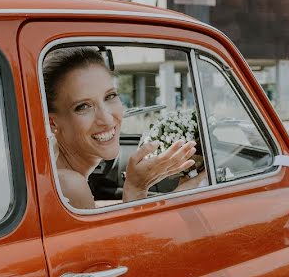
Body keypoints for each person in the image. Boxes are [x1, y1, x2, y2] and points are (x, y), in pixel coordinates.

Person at [43, 47, 204, 210]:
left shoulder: (57, 170)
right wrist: (136, 188)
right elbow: (130, 236)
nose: (106, 119)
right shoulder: (69, 185)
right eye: (83, 106)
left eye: (110, 96)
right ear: (53, 123)